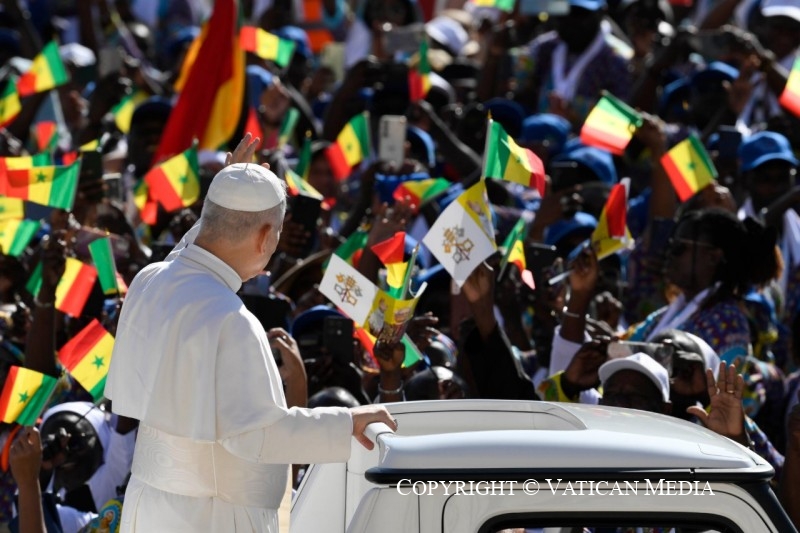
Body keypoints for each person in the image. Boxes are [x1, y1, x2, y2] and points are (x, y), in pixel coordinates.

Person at [105, 140, 397, 532]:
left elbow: (189, 253)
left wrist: (229, 190)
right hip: (211, 519)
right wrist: (349, 422)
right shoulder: (232, 320)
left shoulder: (149, 280)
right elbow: (258, 434)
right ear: (265, 237)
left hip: (150, 508)